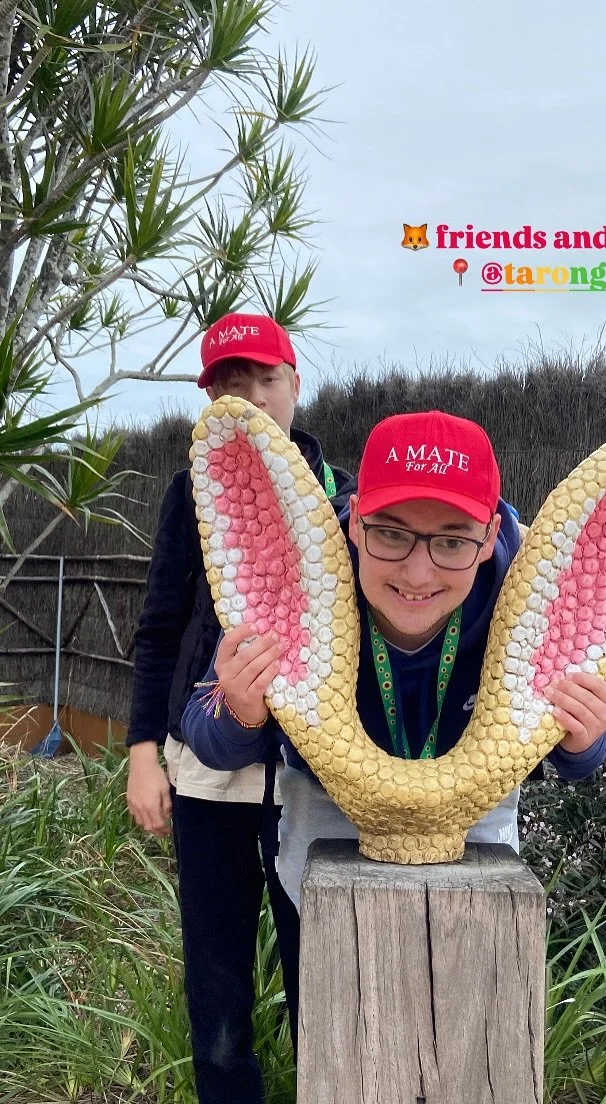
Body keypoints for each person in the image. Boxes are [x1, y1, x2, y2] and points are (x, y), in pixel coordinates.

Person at [180, 409, 606, 1050]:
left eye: (452, 541)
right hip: (328, 814)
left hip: (475, 827)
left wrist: (585, 739)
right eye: (390, 534)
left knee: (467, 1033)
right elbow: (207, 728)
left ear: (490, 534)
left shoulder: (524, 588)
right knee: (334, 1027)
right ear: (355, 520)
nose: (418, 574)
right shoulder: (299, 569)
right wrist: (243, 712)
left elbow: (580, 743)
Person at [125, 312, 354, 1103]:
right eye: (230, 382)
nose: (251, 397)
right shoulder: (191, 492)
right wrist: (143, 752)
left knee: (322, 977)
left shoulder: (344, 499)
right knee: (217, 985)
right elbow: (160, 626)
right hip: (206, 774)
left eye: (266, 378)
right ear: (210, 398)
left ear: (296, 385)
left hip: (313, 781)